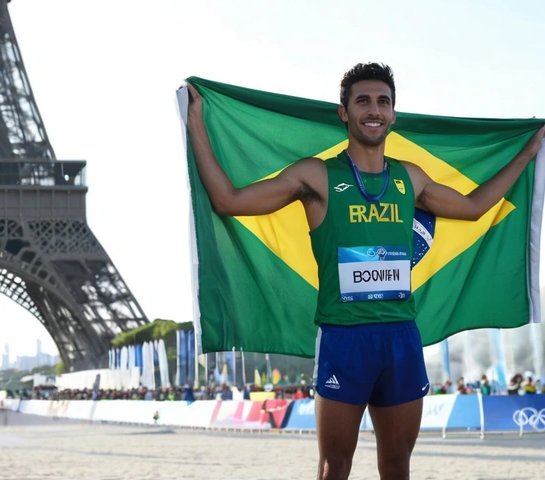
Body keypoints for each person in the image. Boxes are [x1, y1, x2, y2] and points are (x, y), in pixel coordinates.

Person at [186, 63, 545, 480]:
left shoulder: (410, 179)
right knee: (334, 466)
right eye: (363, 101)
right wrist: (197, 123)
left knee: (397, 465)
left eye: (382, 102)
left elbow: (475, 206)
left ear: (393, 114)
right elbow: (228, 200)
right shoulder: (316, 175)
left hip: (401, 338)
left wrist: (525, 155)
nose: (373, 110)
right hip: (343, 338)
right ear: (344, 112)